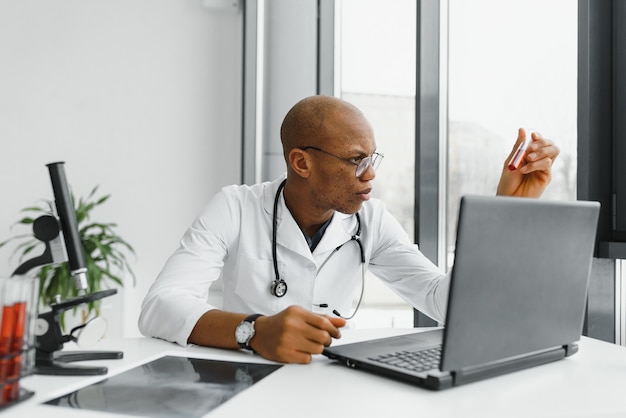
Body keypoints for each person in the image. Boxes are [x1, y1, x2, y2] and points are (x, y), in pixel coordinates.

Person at [138, 95, 559, 364]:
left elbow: (440, 300)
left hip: (333, 385)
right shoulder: (236, 207)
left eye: (373, 158)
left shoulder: (369, 220)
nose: (370, 175)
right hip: (249, 383)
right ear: (302, 162)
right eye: (356, 160)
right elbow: (161, 305)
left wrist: (507, 212)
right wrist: (254, 331)